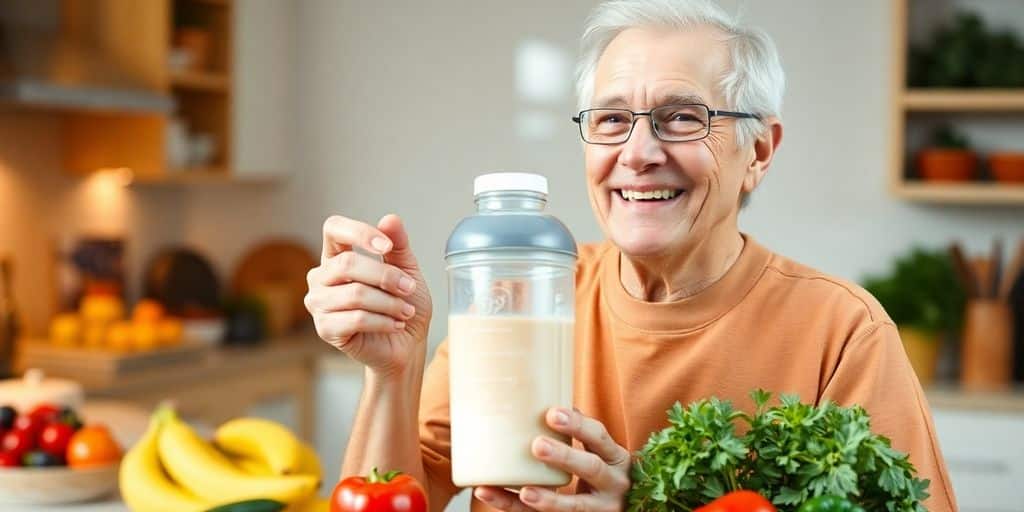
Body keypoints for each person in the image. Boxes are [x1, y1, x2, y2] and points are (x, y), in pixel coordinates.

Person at [304, 0, 956, 510]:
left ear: (758, 152)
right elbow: (389, 499)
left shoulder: (840, 334)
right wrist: (392, 369)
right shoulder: (520, 297)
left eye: (680, 117)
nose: (638, 153)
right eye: (612, 120)